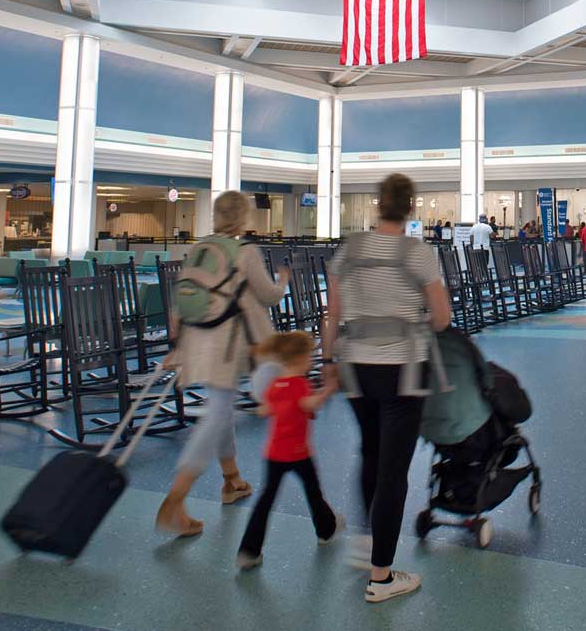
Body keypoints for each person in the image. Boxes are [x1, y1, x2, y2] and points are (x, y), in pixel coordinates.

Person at [321, 173, 452, 604]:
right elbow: (442, 317)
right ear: (411, 207)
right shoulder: (419, 255)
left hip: (357, 369)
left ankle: (367, 541)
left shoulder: (350, 251)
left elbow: (332, 314)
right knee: (394, 470)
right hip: (403, 371)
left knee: (371, 451)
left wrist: (327, 362)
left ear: (377, 205)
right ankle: (381, 576)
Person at [156, 191, 288, 537]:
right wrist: (284, 284)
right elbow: (267, 295)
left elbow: (180, 298)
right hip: (227, 344)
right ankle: (176, 499)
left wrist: (175, 344)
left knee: (221, 406)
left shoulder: (200, 248)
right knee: (217, 413)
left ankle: (232, 481)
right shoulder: (245, 252)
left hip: (195, 340)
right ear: (245, 218)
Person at [237, 331, 344, 570]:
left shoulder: (276, 386)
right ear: (299, 359)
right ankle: (326, 530)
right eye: (309, 356)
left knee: (266, 500)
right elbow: (309, 404)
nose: (311, 361)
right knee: (313, 491)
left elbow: (264, 411)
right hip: (299, 453)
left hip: (274, 454)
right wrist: (327, 390)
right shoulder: (299, 385)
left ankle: (249, 551)